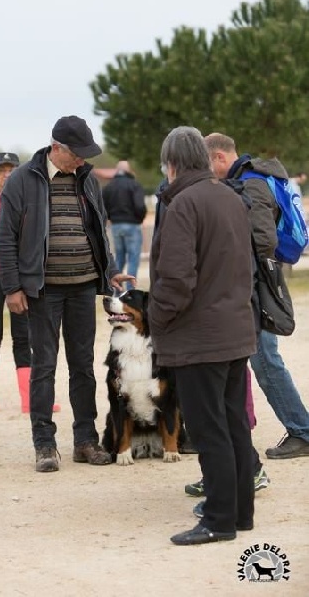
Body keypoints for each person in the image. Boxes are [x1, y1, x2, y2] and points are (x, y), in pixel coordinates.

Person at [0, 115, 134, 473]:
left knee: (83, 366)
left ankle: (85, 440)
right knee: (43, 366)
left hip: (83, 285)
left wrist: (111, 268)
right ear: (57, 147)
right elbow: (6, 238)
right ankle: (44, 444)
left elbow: (99, 229)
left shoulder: (87, 179)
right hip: (42, 290)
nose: (83, 160)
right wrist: (12, 286)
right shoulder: (22, 181)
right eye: (77, 154)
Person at [149, 126, 256, 545]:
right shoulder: (230, 197)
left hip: (200, 337)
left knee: (210, 430)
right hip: (232, 329)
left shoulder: (182, 205)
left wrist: (157, 318)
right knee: (233, 427)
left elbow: (175, 280)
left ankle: (218, 519)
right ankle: (239, 513)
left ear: (172, 163)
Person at [206, 133, 309, 459]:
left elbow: (262, 239)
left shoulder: (249, 183)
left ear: (220, 157)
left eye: (209, 164)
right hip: (263, 276)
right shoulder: (260, 176)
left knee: (265, 360)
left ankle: (302, 431)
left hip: (257, 281)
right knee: (264, 359)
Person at [0, 152, 60, 413]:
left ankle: (28, 398)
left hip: (19, 272)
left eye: (11, 169)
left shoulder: (26, 192)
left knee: (23, 334)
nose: (6, 174)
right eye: (1, 169)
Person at [102, 161, 147, 289]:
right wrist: (140, 218)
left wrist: (111, 218)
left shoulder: (108, 187)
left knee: (119, 258)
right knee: (133, 258)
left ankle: (116, 289)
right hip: (132, 225)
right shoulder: (134, 185)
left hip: (116, 226)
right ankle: (130, 291)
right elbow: (140, 206)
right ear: (129, 170)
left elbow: (102, 207)